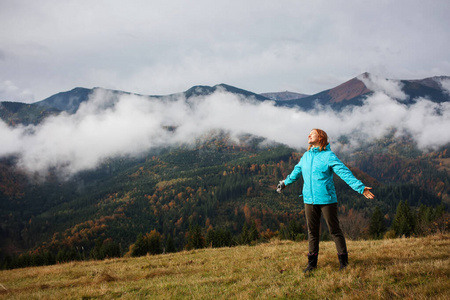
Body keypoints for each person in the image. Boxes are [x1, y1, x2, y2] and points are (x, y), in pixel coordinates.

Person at [277, 128, 374, 272]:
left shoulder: (329, 156)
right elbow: (296, 172)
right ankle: (311, 264)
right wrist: (285, 183)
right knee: (312, 232)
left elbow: (344, 172)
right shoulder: (306, 156)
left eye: (312, 133)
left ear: (321, 137)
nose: (309, 135)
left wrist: (360, 188)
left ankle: (344, 263)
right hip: (309, 200)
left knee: (334, 230)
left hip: (327, 199)